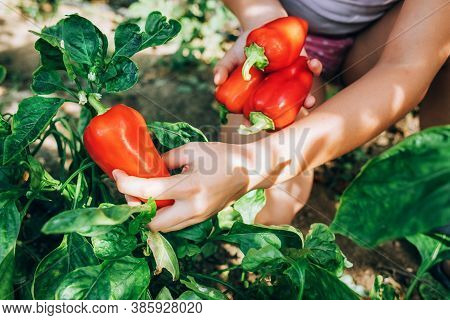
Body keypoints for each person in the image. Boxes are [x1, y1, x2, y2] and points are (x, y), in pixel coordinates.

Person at [113, 0, 449, 232]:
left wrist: (255, 163)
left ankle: (441, 194)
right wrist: (260, 17)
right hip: (276, 36)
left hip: (379, 41)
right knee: (270, 209)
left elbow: (407, 67)